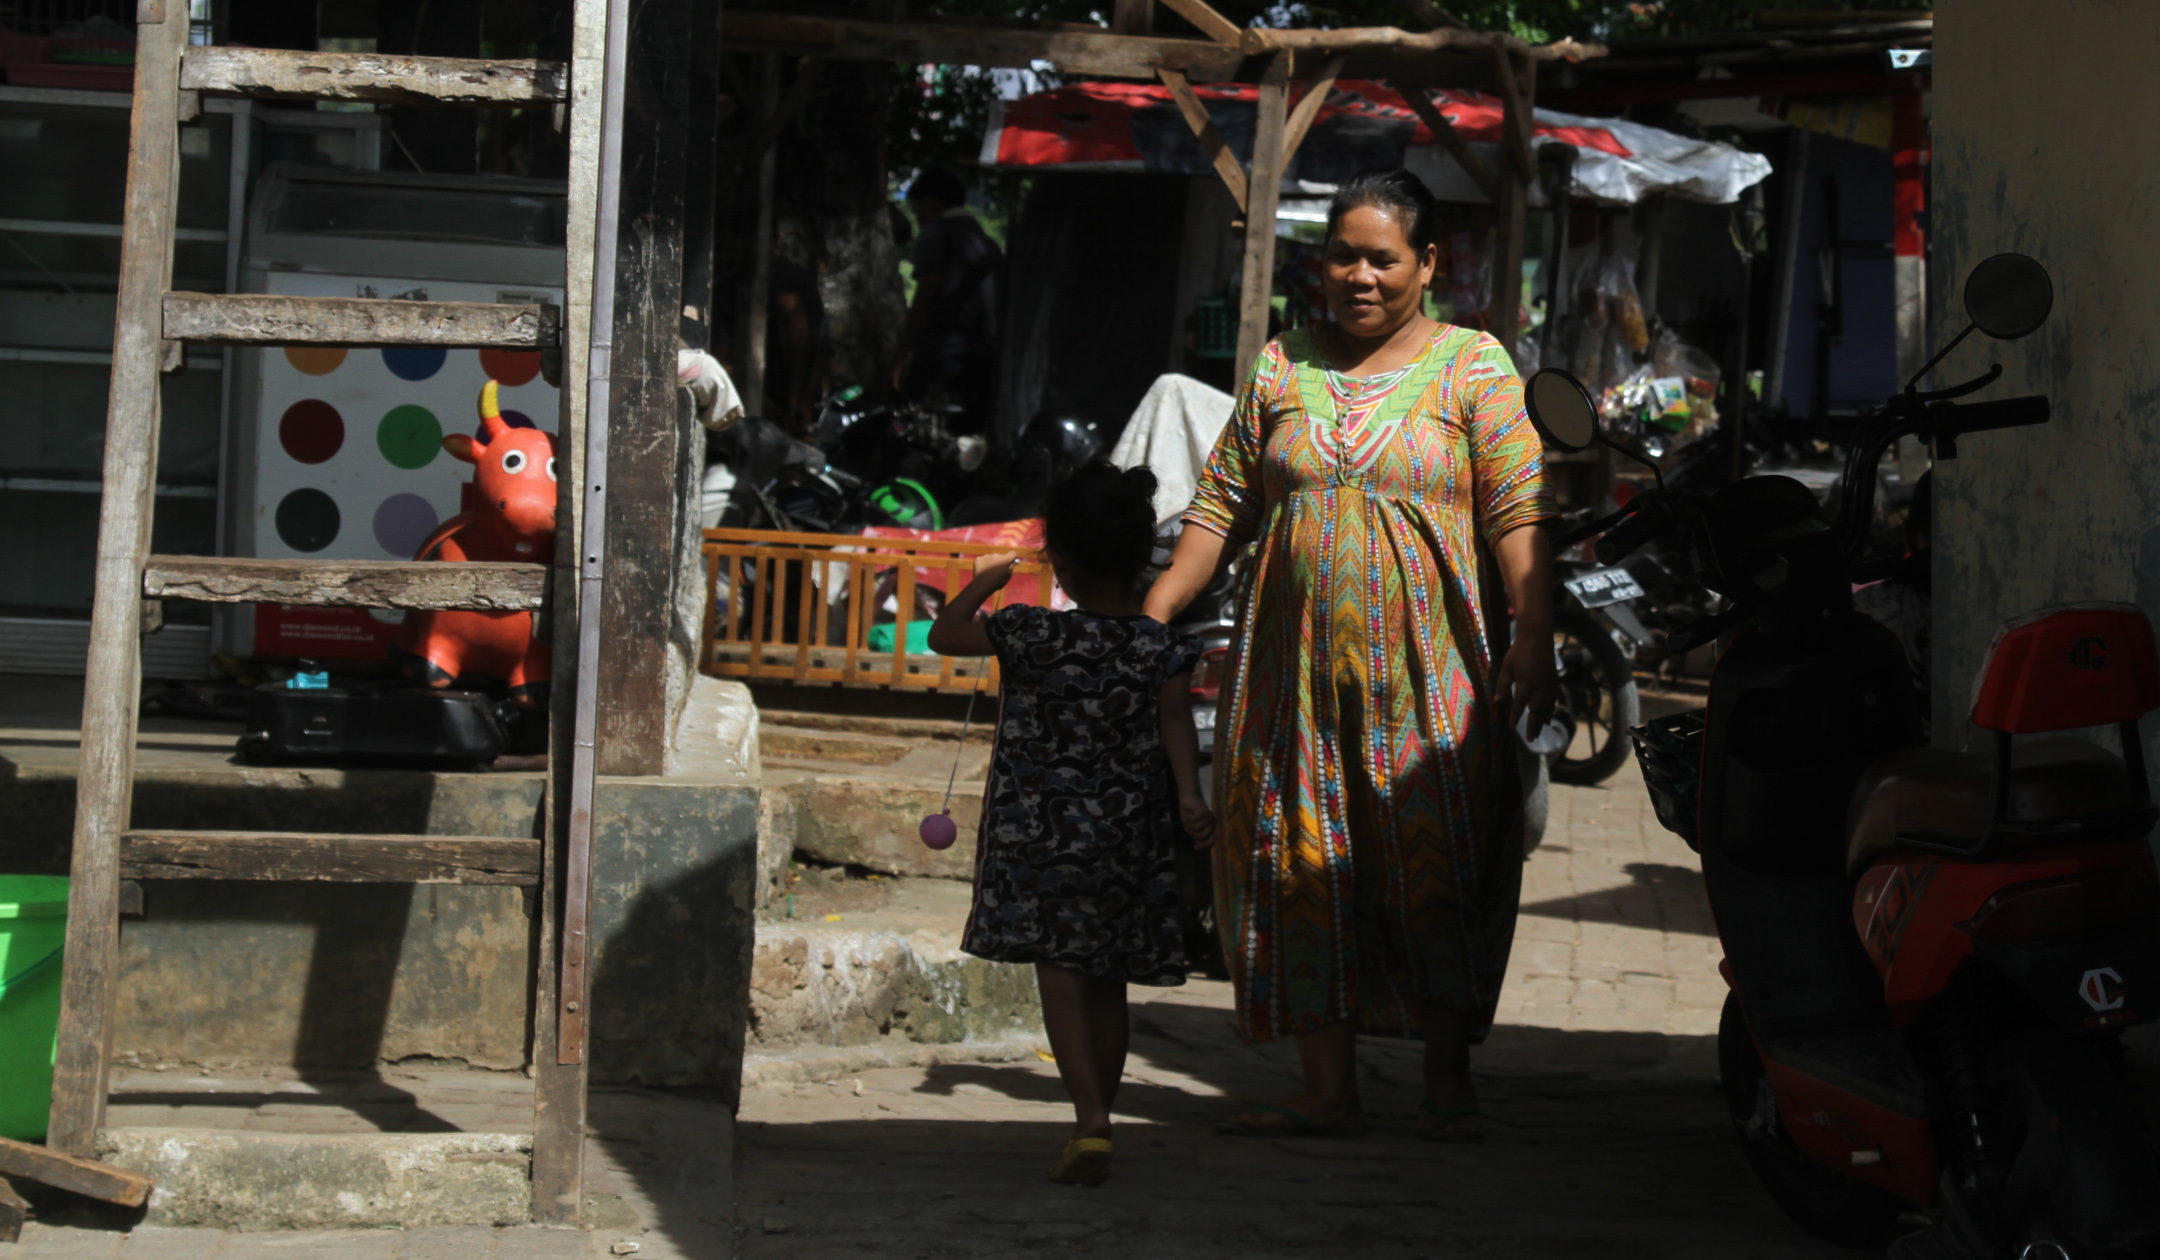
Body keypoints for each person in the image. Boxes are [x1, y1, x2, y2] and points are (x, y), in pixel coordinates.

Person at [1142, 169, 1558, 1142]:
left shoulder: (1474, 366)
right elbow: (1219, 510)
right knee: (1297, 864)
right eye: (1343, 255)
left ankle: (1448, 1076)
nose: (1360, 276)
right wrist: (1148, 617)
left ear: (1428, 265)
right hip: (1289, 685)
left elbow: (1517, 510)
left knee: (1439, 865)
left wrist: (1532, 632)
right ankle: (1326, 1090)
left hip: (1435, 682)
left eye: (1383, 258)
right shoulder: (1284, 367)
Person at [928, 462, 1213, 1186]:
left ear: (1060, 555)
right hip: (1129, 832)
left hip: (1042, 833)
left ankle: (1090, 1119)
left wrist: (991, 579)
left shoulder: (1030, 633)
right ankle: (1099, 1115)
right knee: (1108, 975)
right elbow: (1176, 723)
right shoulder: (1159, 648)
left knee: (1060, 970)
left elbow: (945, 635)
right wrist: (1188, 797)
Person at [895, 167, 1002, 432]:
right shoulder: (988, 243)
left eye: (917, 211)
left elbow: (927, 291)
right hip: (985, 358)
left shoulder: (937, 231)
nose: (919, 220)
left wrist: (902, 352)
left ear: (929, 205)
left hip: (944, 355)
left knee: (924, 432)